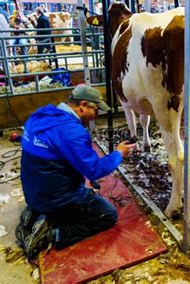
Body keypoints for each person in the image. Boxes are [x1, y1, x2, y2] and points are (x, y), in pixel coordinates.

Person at [16, 85, 136, 261]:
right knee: (108, 215)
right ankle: (52, 233)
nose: (97, 115)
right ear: (83, 104)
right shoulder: (72, 131)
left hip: (33, 192)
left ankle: (36, 213)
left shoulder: (41, 116)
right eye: (95, 109)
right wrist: (119, 154)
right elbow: (94, 170)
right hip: (57, 199)